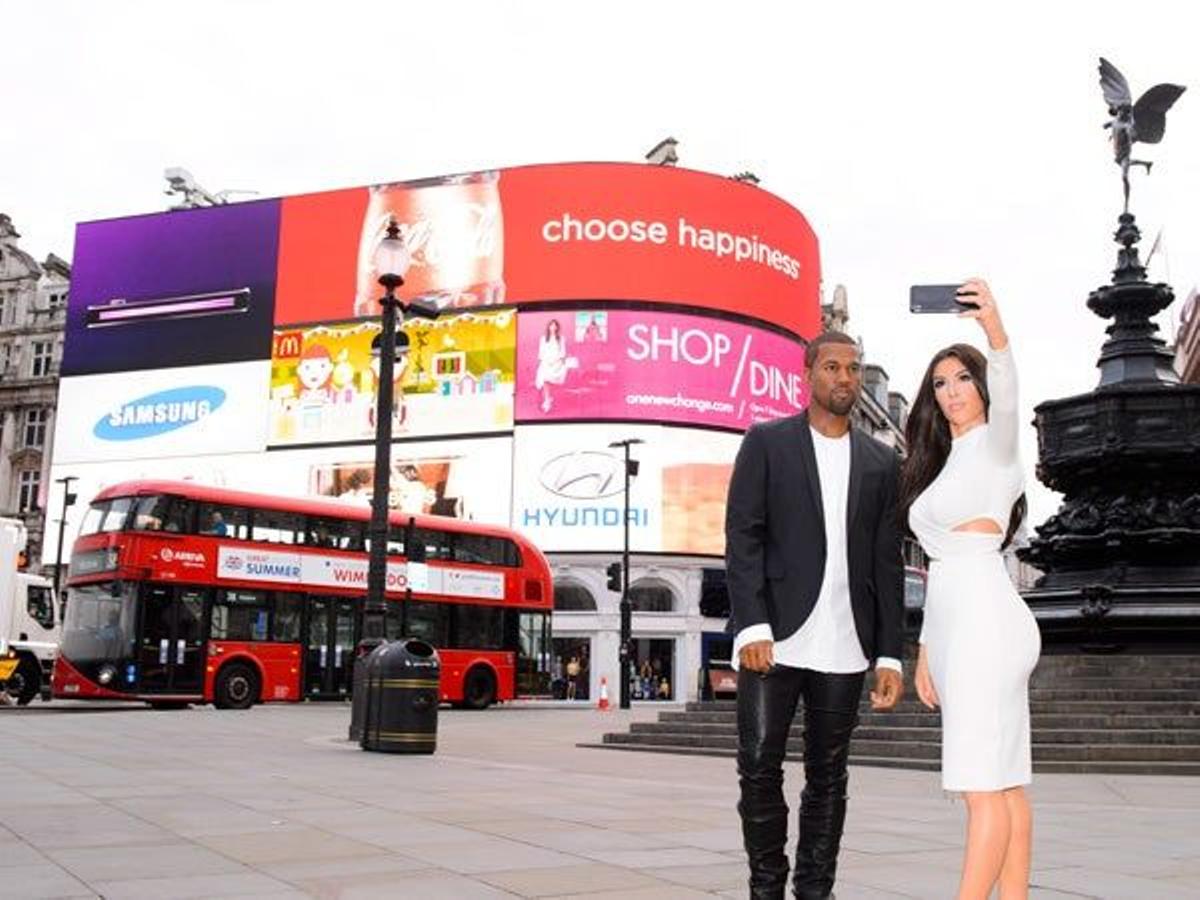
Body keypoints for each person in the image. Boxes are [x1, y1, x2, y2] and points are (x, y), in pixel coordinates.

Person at [725, 330, 905, 900]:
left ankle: (815, 892)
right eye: (832, 367)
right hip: (773, 637)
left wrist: (891, 653)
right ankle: (766, 889)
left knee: (829, 776)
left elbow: (887, 561)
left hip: (847, 643)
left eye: (853, 368)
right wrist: (752, 623)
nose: (845, 378)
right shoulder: (767, 442)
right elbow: (743, 536)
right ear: (808, 374)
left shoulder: (882, 461)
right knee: (758, 765)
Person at [899, 278, 1040, 899]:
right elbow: (940, 570)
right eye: (940, 382)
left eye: (963, 378)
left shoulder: (998, 445)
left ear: (981, 383)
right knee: (1005, 784)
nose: (952, 392)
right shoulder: (945, 460)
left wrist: (996, 332)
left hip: (986, 624)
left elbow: (1009, 396)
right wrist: (929, 650)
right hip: (965, 625)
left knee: (982, 788)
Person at [534, 319, 568, 413]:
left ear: (557, 327)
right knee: (544, 378)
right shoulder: (543, 338)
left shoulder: (561, 338)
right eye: (551, 325)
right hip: (546, 362)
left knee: (549, 380)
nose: (553, 327)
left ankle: (548, 398)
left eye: (555, 325)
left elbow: (562, 352)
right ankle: (547, 400)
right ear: (548, 327)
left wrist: (560, 361)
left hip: (557, 363)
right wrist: (542, 361)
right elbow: (541, 352)